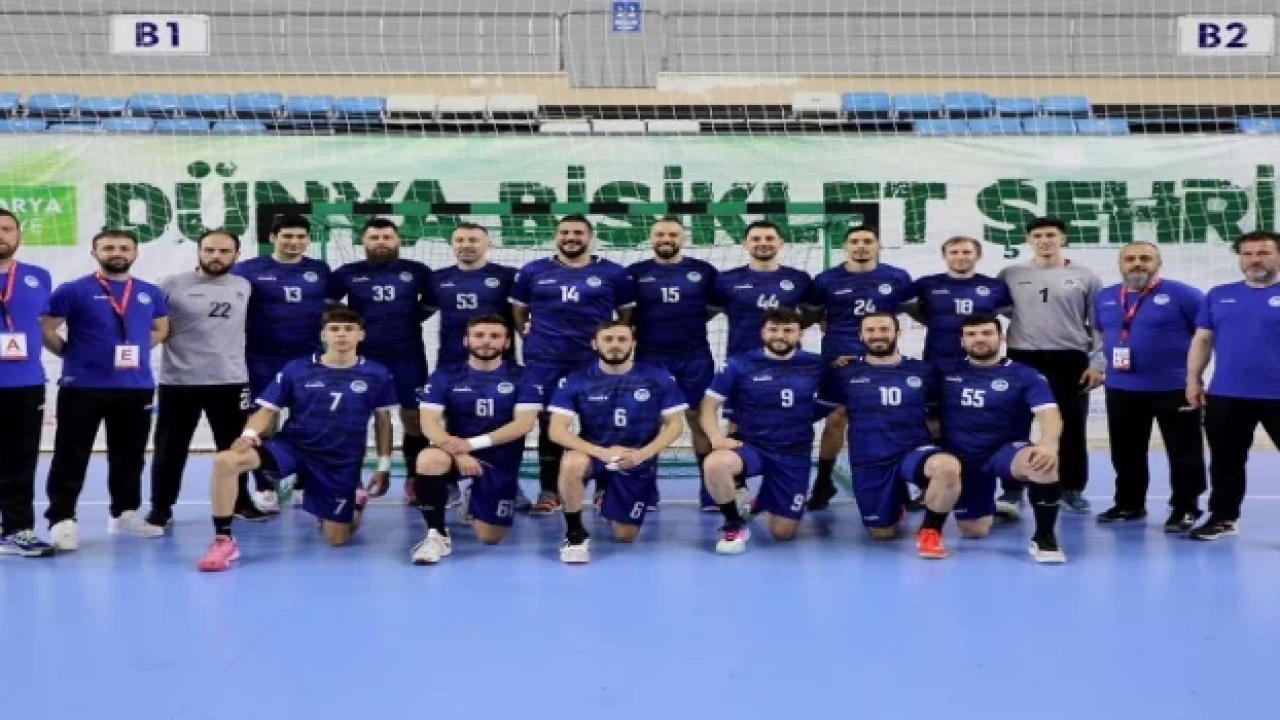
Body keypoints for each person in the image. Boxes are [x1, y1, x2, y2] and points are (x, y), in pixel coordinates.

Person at [196, 307, 397, 571]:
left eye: (349, 329)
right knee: (226, 461)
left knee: (337, 539)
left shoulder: (377, 373)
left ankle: (354, 500)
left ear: (361, 335)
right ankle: (223, 540)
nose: (341, 335)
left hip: (338, 460)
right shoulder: (297, 369)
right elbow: (267, 410)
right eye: (334, 329)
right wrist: (248, 435)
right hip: (293, 448)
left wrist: (383, 466)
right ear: (323, 335)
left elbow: (383, 422)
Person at [40, 229, 170, 551]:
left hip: (135, 387)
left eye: (124, 247)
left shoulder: (149, 292)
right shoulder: (73, 290)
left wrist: (138, 351)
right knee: (71, 454)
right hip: (83, 387)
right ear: (94, 252)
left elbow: (161, 328)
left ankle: (124, 513)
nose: (117, 252)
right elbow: (46, 328)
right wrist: (70, 355)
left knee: (130, 455)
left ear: (135, 253)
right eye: (108, 247)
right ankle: (62, 519)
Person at [509, 215, 635, 516]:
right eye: (564, 232)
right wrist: (531, 337)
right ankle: (549, 491)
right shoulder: (533, 271)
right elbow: (518, 311)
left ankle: (605, 489)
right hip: (545, 361)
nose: (571, 237)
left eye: (578, 232)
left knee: (602, 420)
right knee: (548, 423)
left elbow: (626, 315)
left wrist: (607, 346)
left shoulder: (613, 272)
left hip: (592, 360)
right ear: (556, 236)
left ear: (590, 237)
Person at [817, 313, 962, 558]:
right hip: (870, 459)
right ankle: (897, 503)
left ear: (897, 333)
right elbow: (825, 414)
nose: (878, 335)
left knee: (946, 468)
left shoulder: (924, 371)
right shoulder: (843, 373)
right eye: (871, 330)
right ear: (860, 335)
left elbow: (937, 418)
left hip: (913, 452)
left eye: (884, 329)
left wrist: (944, 452)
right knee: (882, 533)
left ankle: (930, 531)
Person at [146, 230, 259, 531]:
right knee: (170, 448)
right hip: (180, 381)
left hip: (231, 380)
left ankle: (240, 502)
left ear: (236, 255)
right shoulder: (170, 285)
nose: (215, 256)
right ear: (198, 252)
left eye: (224, 251)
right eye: (209, 250)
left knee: (235, 447)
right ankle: (161, 508)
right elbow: (150, 323)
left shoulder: (243, 286)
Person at [546, 321, 685, 563]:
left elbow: (675, 425)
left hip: (636, 457)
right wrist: (600, 452)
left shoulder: (657, 377)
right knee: (571, 463)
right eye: (608, 339)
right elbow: (556, 431)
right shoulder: (577, 379)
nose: (615, 345)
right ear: (595, 344)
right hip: (595, 453)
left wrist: (642, 455)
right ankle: (575, 532)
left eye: (622, 339)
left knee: (625, 536)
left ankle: (609, 498)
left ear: (633, 343)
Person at [1092, 241, 1205, 530]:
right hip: (1121, 388)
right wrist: (1097, 367)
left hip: (1175, 388)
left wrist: (1195, 378)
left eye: (1145, 258)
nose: (1137, 263)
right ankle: (1129, 504)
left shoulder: (1184, 295)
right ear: (1120, 264)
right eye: (1130, 258)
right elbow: (1101, 336)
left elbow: (1205, 336)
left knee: (1184, 452)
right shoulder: (1105, 297)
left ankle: (1186, 508)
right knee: (1125, 451)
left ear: (1158, 263)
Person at [699, 308, 831, 553]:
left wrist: (801, 416)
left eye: (788, 330)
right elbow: (708, 405)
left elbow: (831, 401)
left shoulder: (816, 364)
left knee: (782, 533)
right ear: (763, 332)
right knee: (715, 464)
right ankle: (733, 524)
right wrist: (716, 438)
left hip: (794, 453)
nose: (780, 336)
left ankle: (760, 501)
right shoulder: (739, 364)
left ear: (800, 333)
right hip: (752, 446)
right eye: (773, 329)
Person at [937, 314, 1066, 563]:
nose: (979, 339)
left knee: (1042, 463)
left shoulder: (1024, 374)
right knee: (974, 530)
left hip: (1005, 451)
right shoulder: (945, 372)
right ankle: (994, 509)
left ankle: (1044, 537)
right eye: (972, 334)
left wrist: (1048, 445)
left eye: (987, 333)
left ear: (1001, 338)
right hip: (963, 457)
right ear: (962, 341)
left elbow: (1049, 414)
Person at [996, 217, 1103, 516]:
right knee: (1015, 424)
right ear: (1029, 240)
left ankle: (1071, 488)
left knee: (1071, 425)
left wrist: (1098, 363)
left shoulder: (1086, 276)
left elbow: (1098, 324)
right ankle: (1012, 488)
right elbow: (1004, 310)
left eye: (1050, 235)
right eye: (1038, 235)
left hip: (1069, 358)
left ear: (1062, 238)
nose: (1044, 241)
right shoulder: (1010, 274)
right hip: (1023, 357)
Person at [414, 315, 542, 564]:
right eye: (479, 335)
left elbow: (523, 424)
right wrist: (460, 452)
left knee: (490, 537)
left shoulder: (523, 376)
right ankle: (436, 534)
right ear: (466, 340)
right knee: (428, 459)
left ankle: (472, 497)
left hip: (499, 460)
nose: (486, 341)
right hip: (454, 453)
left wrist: (472, 445)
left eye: (495, 336)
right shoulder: (446, 375)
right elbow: (428, 423)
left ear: (506, 343)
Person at [328, 217, 436, 504]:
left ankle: (415, 479)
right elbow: (327, 303)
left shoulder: (417, 271)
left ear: (398, 239)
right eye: (374, 237)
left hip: (408, 356)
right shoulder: (348, 273)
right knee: (356, 417)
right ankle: (351, 480)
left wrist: (409, 319)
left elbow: (431, 302)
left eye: (387, 237)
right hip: (363, 357)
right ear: (363, 241)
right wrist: (352, 325)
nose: (381, 242)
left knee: (414, 418)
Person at [807, 225, 914, 510]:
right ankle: (823, 482)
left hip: (881, 358)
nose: (861, 246)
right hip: (838, 359)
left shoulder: (896, 277)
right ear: (845, 247)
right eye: (854, 241)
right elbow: (812, 315)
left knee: (885, 418)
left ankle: (898, 483)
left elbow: (912, 311)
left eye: (867, 241)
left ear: (878, 245)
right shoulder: (827, 279)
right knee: (836, 418)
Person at [1185, 230, 1280, 541]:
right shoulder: (1218, 295)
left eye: (1263, 253)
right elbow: (1202, 340)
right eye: (1248, 254)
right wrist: (1193, 379)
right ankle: (1223, 517)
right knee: (1225, 461)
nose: (1254, 259)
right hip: (1227, 394)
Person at [232, 214, 330, 512]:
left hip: (307, 360)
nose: (294, 242)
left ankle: (303, 484)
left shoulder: (319, 270)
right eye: (287, 236)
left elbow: (332, 306)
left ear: (308, 239)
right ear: (273, 237)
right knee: (262, 424)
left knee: (309, 423)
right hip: (261, 359)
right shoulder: (247, 270)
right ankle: (265, 486)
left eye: (300, 236)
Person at [627, 217, 720, 510]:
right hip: (650, 357)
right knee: (648, 422)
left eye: (672, 234)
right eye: (660, 234)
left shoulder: (703, 271)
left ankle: (711, 492)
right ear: (650, 238)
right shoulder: (635, 273)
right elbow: (626, 316)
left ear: (683, 238)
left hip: (694, 357)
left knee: (699, 420)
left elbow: (712, 308)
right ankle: (646, 493)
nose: (666, 239)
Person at [0, 209, 55, 557]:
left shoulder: (38, 276)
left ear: (19, 236)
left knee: (20, 461)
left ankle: (17, 529)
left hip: (25, 383)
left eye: (7, 229)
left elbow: (45, 325)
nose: (1, 235)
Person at [429, 222, 517, 370]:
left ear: (488, 245)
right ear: (452, 244)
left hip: (498, 362)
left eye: (473, 240)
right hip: (450, 360)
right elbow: (424, 309)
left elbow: (524, 311)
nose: (465, 245)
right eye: (459, 240)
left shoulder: (509, 276)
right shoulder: (437, 277)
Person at [912, 236, 1012, 364]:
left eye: (966, 252)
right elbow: (908, 307)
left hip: (981, 359)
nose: (960, 257)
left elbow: (1009, 312)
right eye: (954, 252)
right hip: (938, 358)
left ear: (978, 256)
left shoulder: (996, 286)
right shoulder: (925, 284)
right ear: (944, 256)